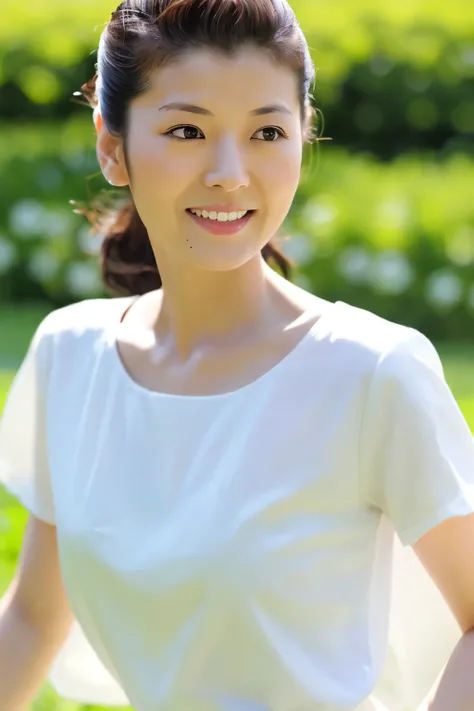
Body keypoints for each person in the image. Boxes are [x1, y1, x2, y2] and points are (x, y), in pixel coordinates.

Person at [0, 0, 473, 710]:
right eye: (187, 130)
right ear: (112, 144)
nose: (230, 172)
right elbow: (34, 618)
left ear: (302, 138)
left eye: (267, 132)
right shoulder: (70, 358)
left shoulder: (372, 372)